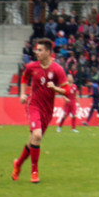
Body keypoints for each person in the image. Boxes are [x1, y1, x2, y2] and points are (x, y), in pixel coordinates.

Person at [12, 38, 68, 184]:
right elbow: (24, 79)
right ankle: (34, 172)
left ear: (48, 52)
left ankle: (18, 164)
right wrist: (23, 93)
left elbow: (67, 90)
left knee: (33, 141)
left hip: (47, 110)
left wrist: (55, 88)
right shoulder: (31, 67)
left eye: (40, 50)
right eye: (37, 49)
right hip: (33, 105)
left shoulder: (57, 69)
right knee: (37, 135)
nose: (37, 52)